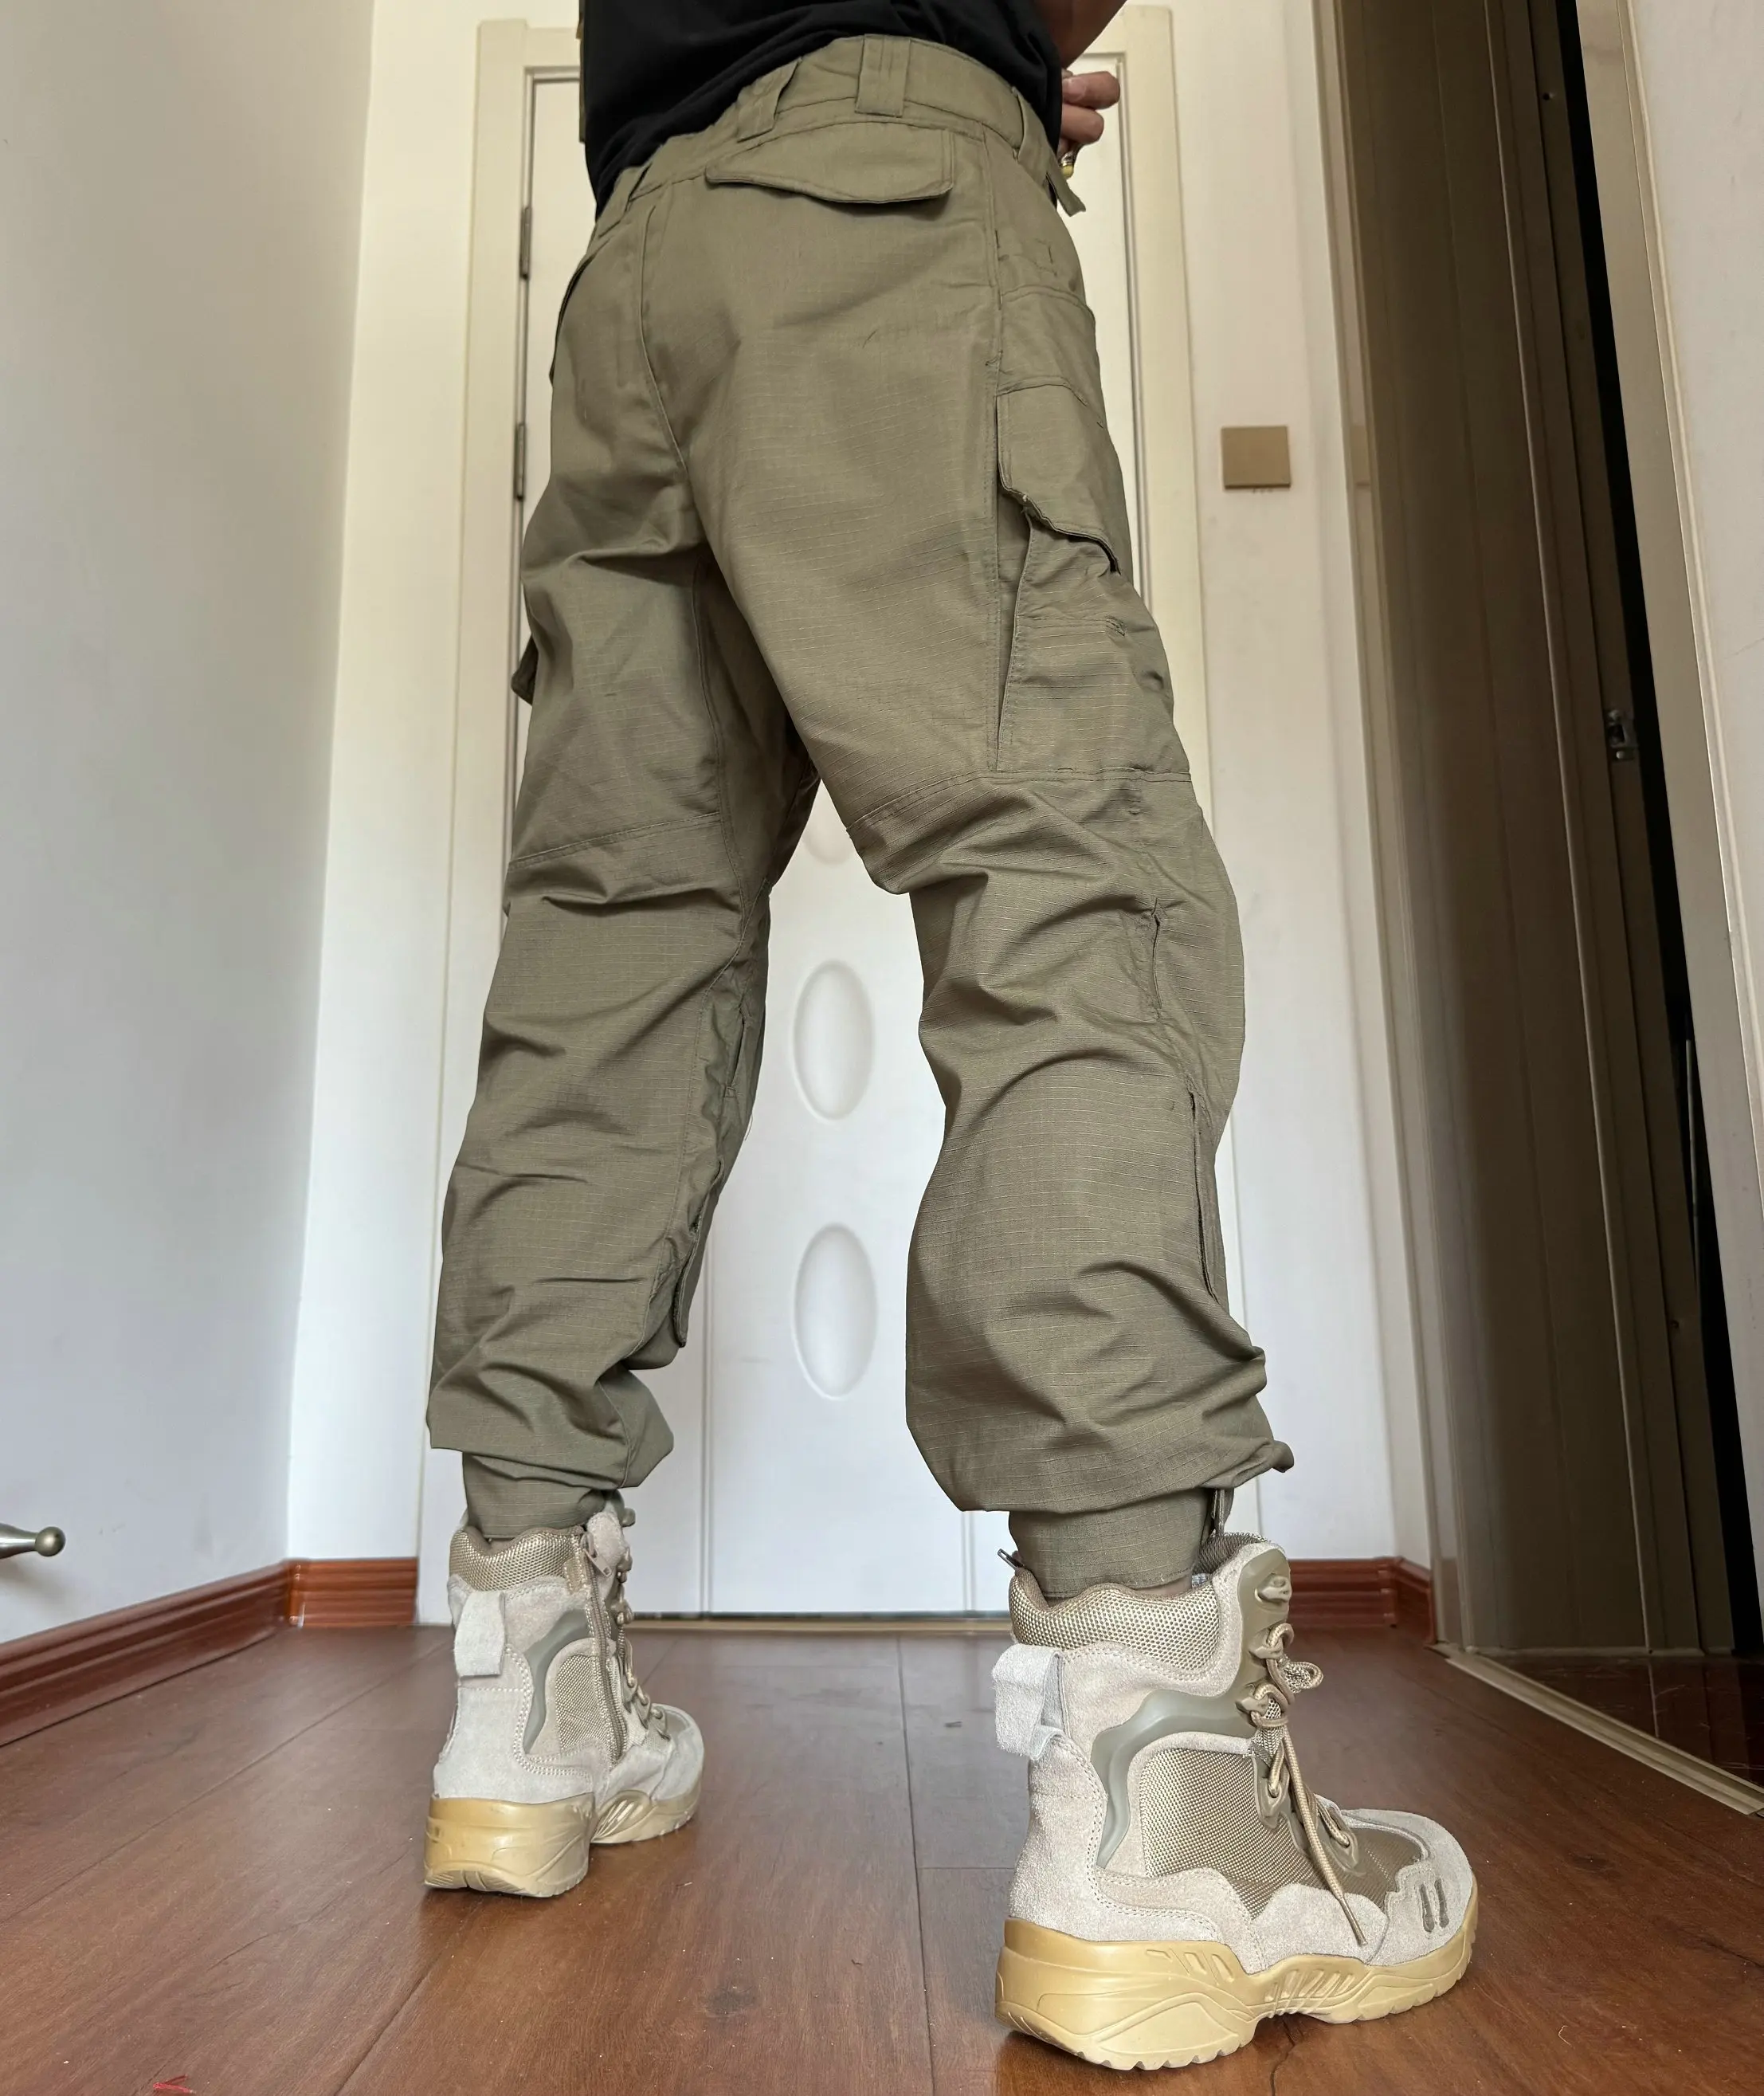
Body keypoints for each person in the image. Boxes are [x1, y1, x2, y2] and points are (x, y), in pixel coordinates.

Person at [419, 0, 1476, 2069]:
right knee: (1064, 872)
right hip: (883, 193)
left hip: (636, 269)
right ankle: (1160, 1785)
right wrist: (974, 40)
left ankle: (528, 1690)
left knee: (614, 941)